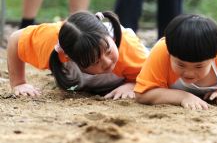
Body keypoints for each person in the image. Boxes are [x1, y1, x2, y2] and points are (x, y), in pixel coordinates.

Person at [7, 10, 148, 98]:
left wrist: (131, 84)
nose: (107, 62)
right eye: (95, 62)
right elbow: (15, 39)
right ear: (70, 57)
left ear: (111, 38)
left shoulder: (128, 46)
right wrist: (19, 83)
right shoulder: (51, 41)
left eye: (108, 51)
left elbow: (152, 76)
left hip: (127, 75)